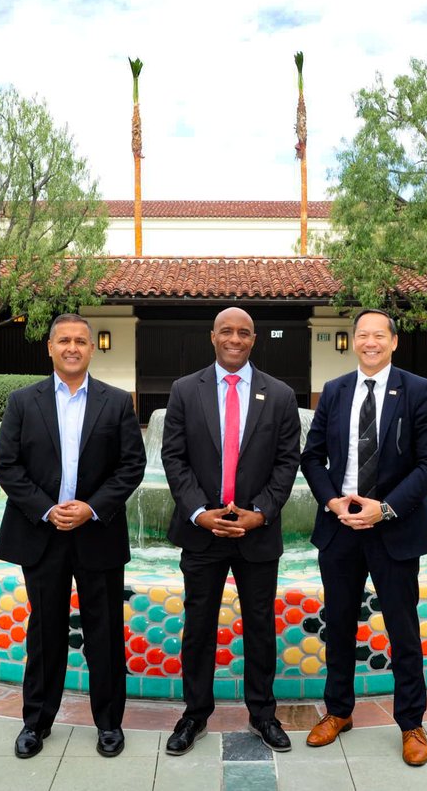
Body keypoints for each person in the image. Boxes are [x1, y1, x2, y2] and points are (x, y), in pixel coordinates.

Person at [0, 313, 146, 760]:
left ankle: (109, 725)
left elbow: (130, 466)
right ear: (50, 347)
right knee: (45, 630)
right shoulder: (23, 401)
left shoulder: (116, 402)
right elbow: (8, 466)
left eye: (80, 340)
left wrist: (91, 507)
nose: (73, 347)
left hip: (96, 531)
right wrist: (46, 508)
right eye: (64, 340)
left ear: (91, 348)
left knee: (105, 632)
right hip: (41, 533)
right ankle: (35, 722)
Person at [299, 308, 427, 767]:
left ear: (393, 342)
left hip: (394, 528)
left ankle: (411, 723)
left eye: (378, 335)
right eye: (362, 335)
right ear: (353, 340)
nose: (369, 342)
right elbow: (312, 458)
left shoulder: (418, 391)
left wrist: (384, 509)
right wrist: (332, 502)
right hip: (341, 527)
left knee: (402, 628)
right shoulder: (336, 391)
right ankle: (338, 711)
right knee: (338, 624)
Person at [160, 306, 301, 755]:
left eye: (243, 332)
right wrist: (199, 511)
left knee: (260, 625)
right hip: (202, 533)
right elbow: (173, 457)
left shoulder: (279, 395)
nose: (234, 339)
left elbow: (286, 462)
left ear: (254, 339)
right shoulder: (185, 390)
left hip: (257, 534)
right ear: (213, 336)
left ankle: (263, 714)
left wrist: (261, 512)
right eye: (227, 331)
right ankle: (194, 715)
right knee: (198, 626)